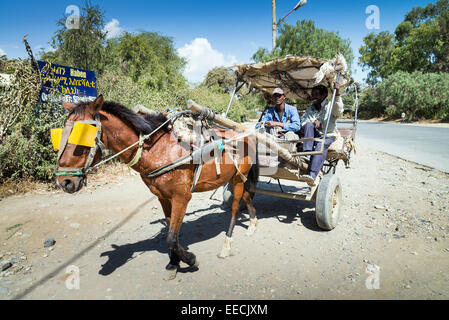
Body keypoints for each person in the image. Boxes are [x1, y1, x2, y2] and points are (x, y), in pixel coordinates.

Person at [300, 82, 343, 186]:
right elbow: (303, 122)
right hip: (313, 135)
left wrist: (337, 93)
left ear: (324, 95)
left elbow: (339, 110)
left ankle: (312, 174)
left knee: (321, 144)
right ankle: (307, 154)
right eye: (313, 94)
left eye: (316, 94)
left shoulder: (330, 105)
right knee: (309, 125)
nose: (313, 97)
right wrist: (314, 123)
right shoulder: (310, 109)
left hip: (328, 135)